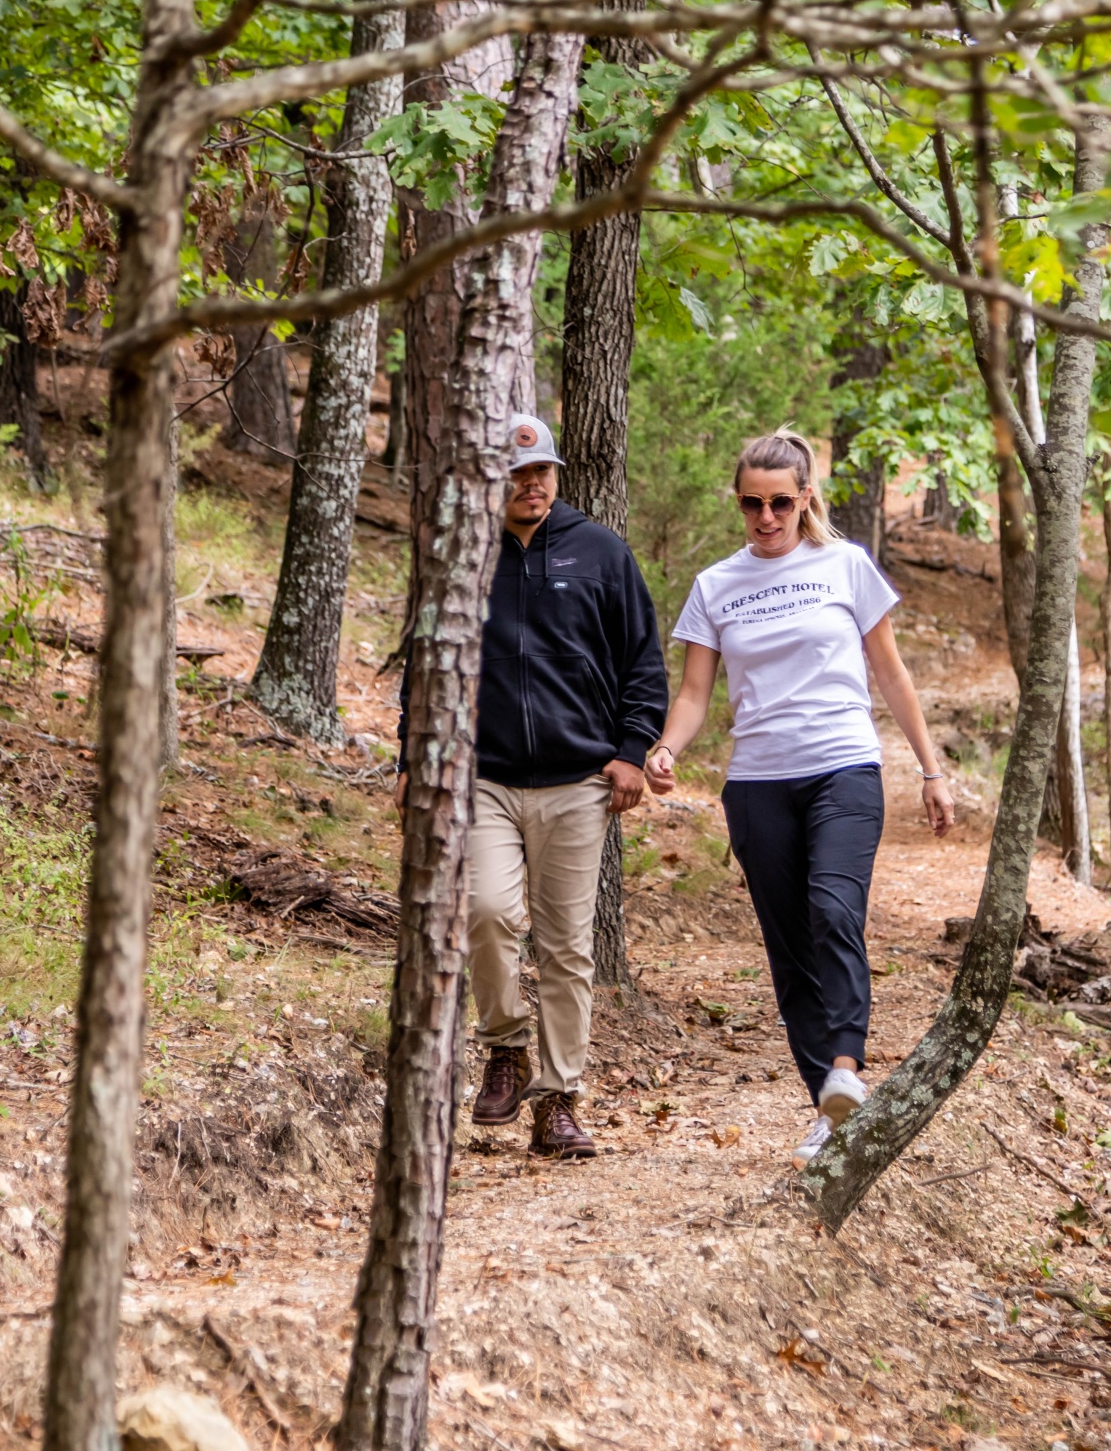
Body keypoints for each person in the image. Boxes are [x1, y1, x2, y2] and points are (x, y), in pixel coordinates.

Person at [643, 430, 955, 1163]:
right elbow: (694, 693)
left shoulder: (845, 565)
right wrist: (665, 748)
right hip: (756, 785)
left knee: (833, 906)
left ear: (806, 497)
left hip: (843, 767)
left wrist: (932, 769)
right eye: (751, 503)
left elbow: (893, 674)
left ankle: (847, 1064)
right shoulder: (717, 584)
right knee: (789, 948)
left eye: (781, 502)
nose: (766, 517)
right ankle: (830, 1104)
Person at [398, 413, 668, 1158]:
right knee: (484, 911)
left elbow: (643, 661)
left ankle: (559, 1100)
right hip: (482, 776)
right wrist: (409, 759)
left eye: (542, 469)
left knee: (566, 946)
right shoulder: (463, 554)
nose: (534, 484)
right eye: (518, 474)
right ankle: (506, 1045)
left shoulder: (600, 552)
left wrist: (631, 751)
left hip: (579, 780)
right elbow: (425, 666)